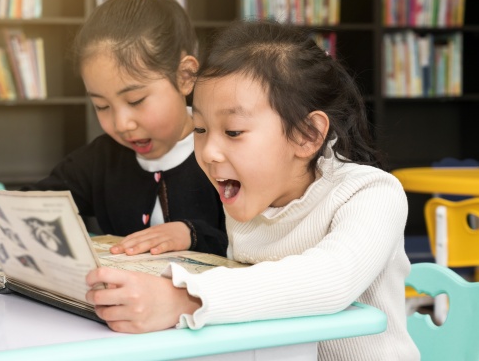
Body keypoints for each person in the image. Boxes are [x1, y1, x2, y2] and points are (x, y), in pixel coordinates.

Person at [85, 20, 420, 360]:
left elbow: (333, 278)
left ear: (307, 134)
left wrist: (185, 298)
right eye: (200, 129)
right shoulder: (252, 198)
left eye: (233, 132)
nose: (208, 152)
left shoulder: (372, 193)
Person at [22, 0, 227, 257]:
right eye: (102, 106)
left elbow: (255, 246)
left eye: (135, 100)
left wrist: (192, 234)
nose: (121, 124)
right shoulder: (103, 158)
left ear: (185, 76)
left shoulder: (223, 154)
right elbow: (37, 202)